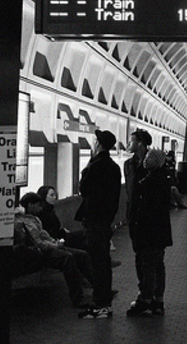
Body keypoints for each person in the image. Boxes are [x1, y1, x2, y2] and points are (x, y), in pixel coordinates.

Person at [14, 192, 94, 308]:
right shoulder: (23, 221)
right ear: (30, 205)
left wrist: (54, 242)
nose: (40, 208)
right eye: (38, 205)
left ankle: (98, 287)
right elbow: (38, 242)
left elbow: (43, 235)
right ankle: (77, 298)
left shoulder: (34, 219)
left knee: (82, 255)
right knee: (68, 258)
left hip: (48, 247)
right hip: (40, 252)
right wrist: (54, 245)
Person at [76, 129, 122, 320]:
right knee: (103, 262)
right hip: (105, 220)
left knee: (98, 263)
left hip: (94, 220)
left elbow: (84, 188)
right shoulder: (114, 167)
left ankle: (101, 305)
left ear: (98, 144)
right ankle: (104, 302)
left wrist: (88, 165)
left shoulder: (96, 166)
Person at [126, 144, 173, 317]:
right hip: (159, 232)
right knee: (158, 265)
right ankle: (158, 300)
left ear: (157, 162)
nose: (147, 160)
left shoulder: (151, 181)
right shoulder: (163, 179)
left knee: (147, 265)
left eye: (150, 158)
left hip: (148, 232)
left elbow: (144, 208)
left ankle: (145, 300)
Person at [37, 185, 88, 250]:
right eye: (51, 195)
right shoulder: (42, 213)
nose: (55, 197)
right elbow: (49, 232)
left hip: (60, 236)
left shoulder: (51, 210)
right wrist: (62, 232)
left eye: (55, 195)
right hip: (55, 239)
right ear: (44, 196)